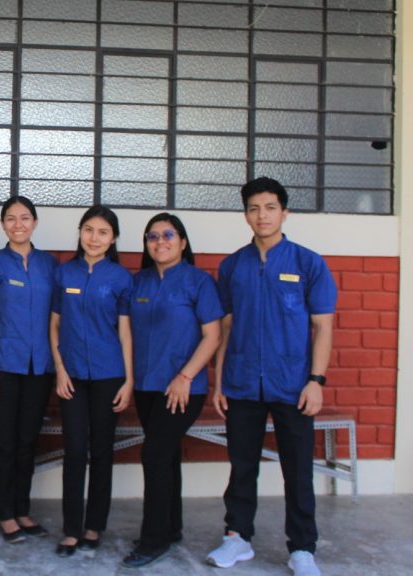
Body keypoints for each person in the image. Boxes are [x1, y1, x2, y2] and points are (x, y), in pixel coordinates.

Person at [206, 177, 336, 576]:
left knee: (297, 469)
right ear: (245, 214)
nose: (262, 215)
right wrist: (220, 381)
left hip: (293, 384)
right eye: (254, 208)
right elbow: (226, 327)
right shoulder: (232, 266)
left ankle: (302, 548)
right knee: (242, 465)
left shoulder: (308, 263)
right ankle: (237, 538)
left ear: (284, 212)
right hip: (243, 381)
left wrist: (316, 380)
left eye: (270, 207)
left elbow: (323, 327)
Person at [122, 213, 223, 568]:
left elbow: (213, 336)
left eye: (168, 235)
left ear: (182, 242)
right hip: (148, 387)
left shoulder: (199, 282)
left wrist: (184, 376)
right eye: (152, 236)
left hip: (183, 387)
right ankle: (171, 526)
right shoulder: (139, 282)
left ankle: (153, 540)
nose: (160, 241)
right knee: (166, 456)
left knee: (154, 454)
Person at [0, 196, 57, 544]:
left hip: (40, 368)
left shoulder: (50, 265)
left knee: (27, 442)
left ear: (35, 222)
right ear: (3, 224)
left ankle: (22, 509)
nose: (17, 224)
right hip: (3, 366)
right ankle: (5, 514)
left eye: (24, 218)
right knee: (3, 442)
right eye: (10, 219)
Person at [49, 205, 134, 557]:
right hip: (71, 378)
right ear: (80, 233)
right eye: (88, 229)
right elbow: (53, 325)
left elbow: (126, 333)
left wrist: (128, 380)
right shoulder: (64, 274)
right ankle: (71, 529)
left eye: (102, 232)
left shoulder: (120, 278)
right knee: (75, 451)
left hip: (108, 375)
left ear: (112, 238)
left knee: (101, 452)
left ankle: (94, 525)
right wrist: (60, 370)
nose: (94, 238)